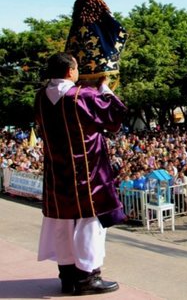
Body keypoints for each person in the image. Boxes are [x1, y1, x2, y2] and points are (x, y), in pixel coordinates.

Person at [35, 52, 127, 295]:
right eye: (76, 69)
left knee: (62, 224)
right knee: (90, 224)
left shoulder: (41, 97)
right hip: (86, 173)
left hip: (57, 173)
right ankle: (88, 278)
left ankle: (67, 277)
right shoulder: (82, 96)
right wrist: (105, 88)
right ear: (70, 72)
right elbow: (114, 118)